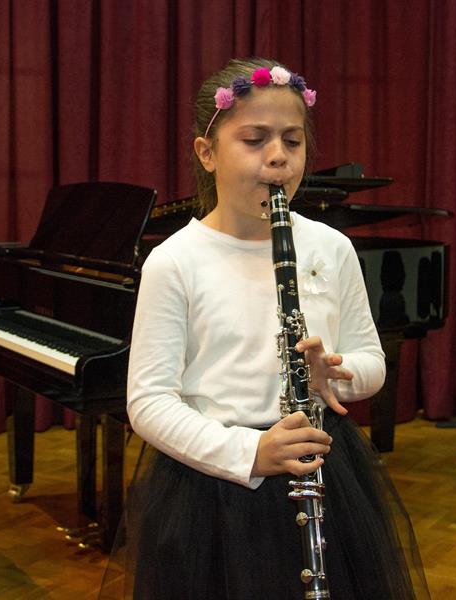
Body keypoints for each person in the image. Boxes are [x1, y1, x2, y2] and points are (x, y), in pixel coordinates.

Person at [100, 57, 430, 600]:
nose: (278, 155)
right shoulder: (176, 261)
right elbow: (150, 402)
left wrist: (337, 372)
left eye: (292, 141)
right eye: (254, 139)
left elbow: (372, 362)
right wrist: (250, 453)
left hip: (323, 466)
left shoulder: (331, 247)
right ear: (206, 153)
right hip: (214, 485)